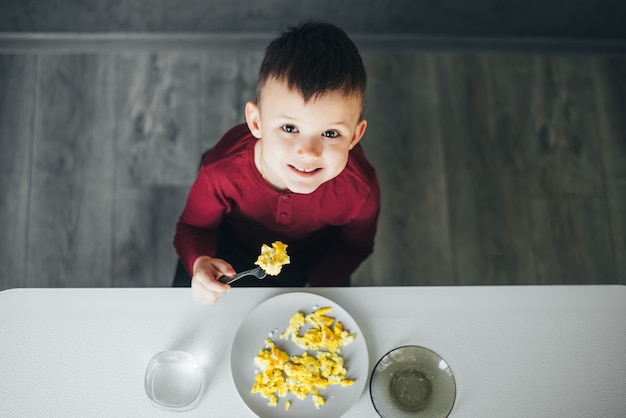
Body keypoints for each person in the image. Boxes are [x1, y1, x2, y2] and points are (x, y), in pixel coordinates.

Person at [173, 21, 381, 304]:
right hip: (229, 253)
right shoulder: (222, 171)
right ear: (257, 122)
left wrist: (317, 285)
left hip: (311, 261)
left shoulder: (360, 189)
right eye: (289, 128)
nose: (308, 152)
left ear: (355, 136)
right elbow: (194, 228)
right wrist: (200, 263)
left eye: (330, 133)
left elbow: (353, 246)